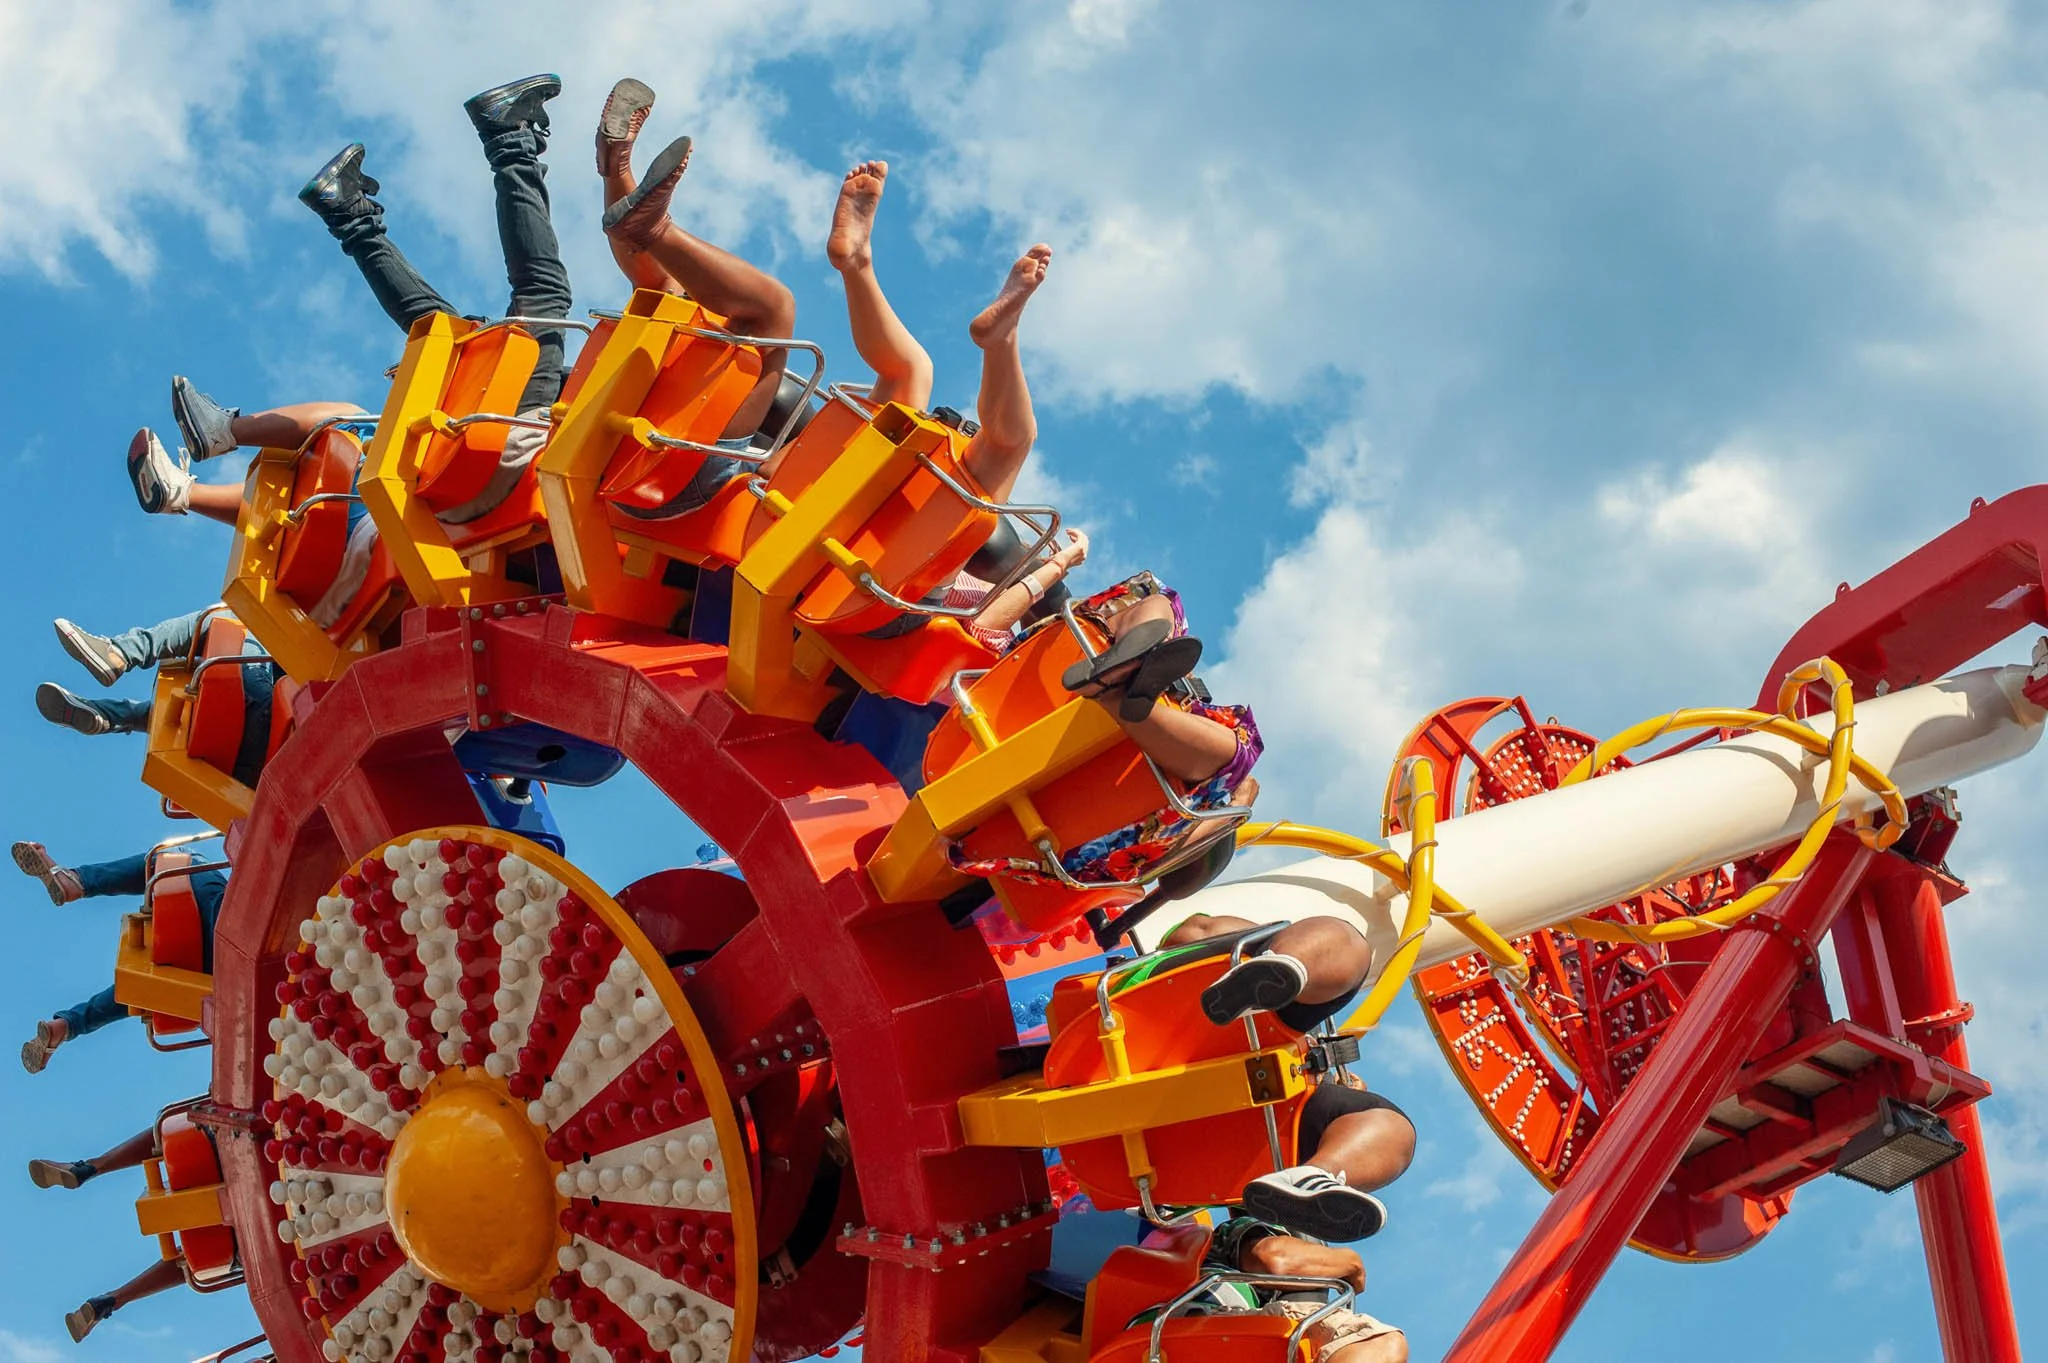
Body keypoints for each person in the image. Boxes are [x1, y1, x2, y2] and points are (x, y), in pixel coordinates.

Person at [13, 841, 227, 1075]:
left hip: (214, 944)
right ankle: (69, 1025)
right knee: (143, 985)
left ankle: (78, 880)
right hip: (217, 966)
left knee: (179, 856)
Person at [34, 610, 279, 783]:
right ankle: (113, 713)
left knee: (230, 618)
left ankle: (119, 654)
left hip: (255, 734)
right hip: (253, 764)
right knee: (195, 672)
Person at [27, 1121, 216, 1341]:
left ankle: (89, 1168)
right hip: (232, 1154)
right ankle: (112, 1300)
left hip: (213, 1148)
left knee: (199, 1258)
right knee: (214, 1256)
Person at [1126, 1216, 1407, 1362]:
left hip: (1149, 1344)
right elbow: (1275, 1260)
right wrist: (1352, 1264)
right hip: (1192, 1327)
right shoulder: (1235, 1233)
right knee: (1377, 1341)